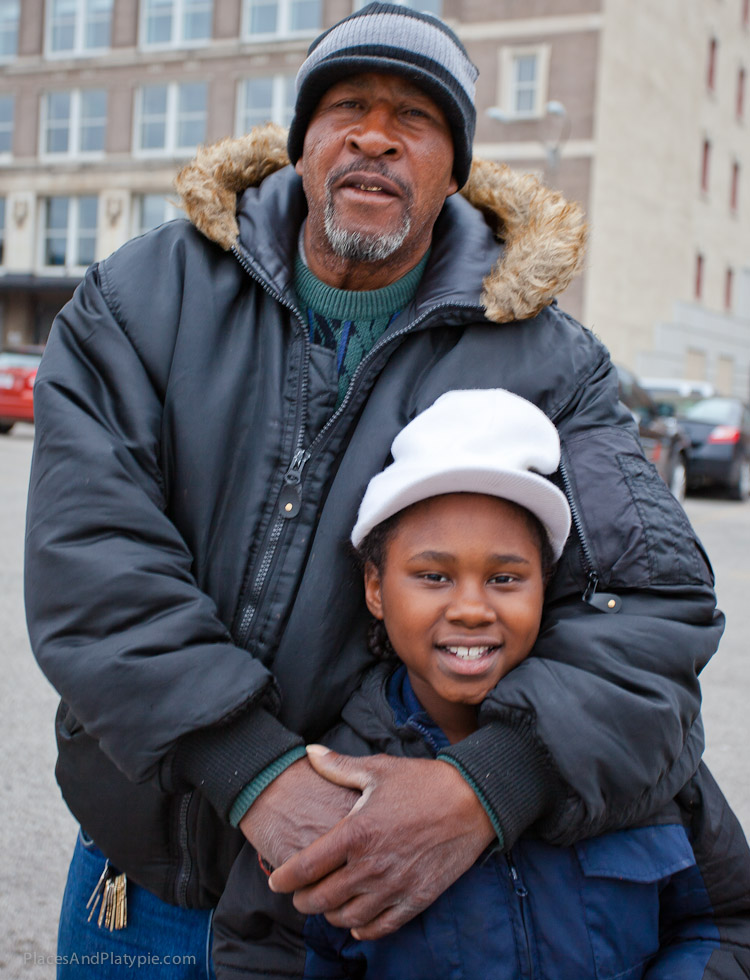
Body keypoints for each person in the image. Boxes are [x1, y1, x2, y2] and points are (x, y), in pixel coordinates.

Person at [25, 2, 722, 976]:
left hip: (382, 907)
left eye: (416, 118)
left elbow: (649, 610)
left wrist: (487, 786)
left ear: (456, 165)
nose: (375, 135)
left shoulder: (552, 361)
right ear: (302, 141)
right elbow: (90, 560)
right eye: (347, 105)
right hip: (149, 891)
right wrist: (252, 767)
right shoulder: (143, 299)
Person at [212, 389, 750, 979]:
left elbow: (725, 921)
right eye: (434, 576)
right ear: (374, 588)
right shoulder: (332, 783)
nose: (472, 608)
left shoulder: (645, 757)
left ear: (545, 587)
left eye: (504, 577)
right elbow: (263, 957)